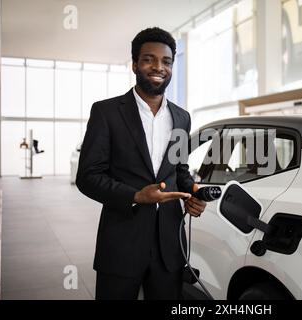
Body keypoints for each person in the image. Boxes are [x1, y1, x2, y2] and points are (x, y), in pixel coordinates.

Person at [76, 27, 206, 300]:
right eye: (149, 59)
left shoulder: (182, 118)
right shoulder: (106, 112)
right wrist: (135, 195)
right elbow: (88, 176)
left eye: (166, 61)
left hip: (169, 246)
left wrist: (192, 192)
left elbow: (179, 170)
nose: (159, 67)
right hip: (122, 243)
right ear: (135, 64)